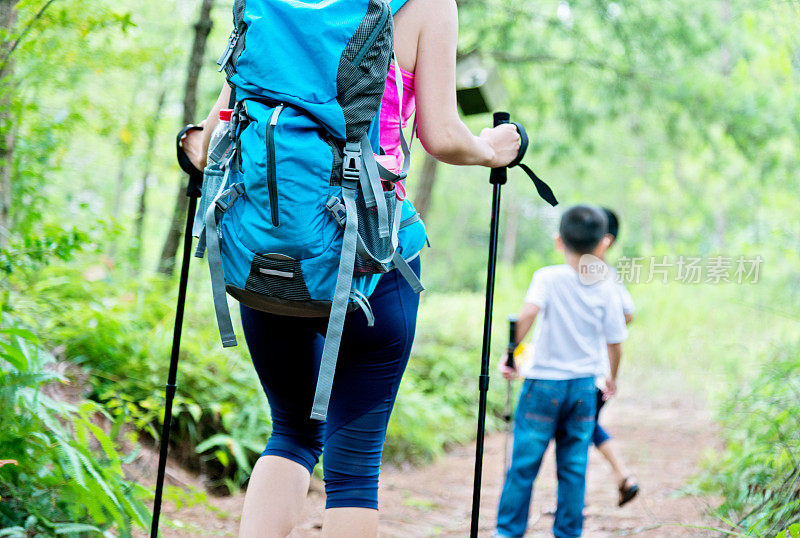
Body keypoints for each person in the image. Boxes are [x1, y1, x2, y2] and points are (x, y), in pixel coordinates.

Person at [180, 1, 521, 536]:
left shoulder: (269, 6)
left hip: (269, 255)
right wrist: (496, 149)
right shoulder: (427, 6)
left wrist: (189, 143)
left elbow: (210, 141)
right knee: (355, 466)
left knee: (290, 431)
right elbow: (444, 137)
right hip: (373, 260)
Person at [496, 205, 628, 538]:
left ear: (559, 241)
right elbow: (616, 341)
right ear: (603, 244)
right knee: (573, 468)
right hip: (583, 388)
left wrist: (509, 355)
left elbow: (525, 316)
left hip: (543, 385)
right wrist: (612, 376)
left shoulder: (548, 277)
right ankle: (568, 533)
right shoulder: (607, 284)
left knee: (524, 465)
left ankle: (508, 532)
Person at [592, 207, 639, 507]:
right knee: (585, 428)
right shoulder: (608, 273)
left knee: (580, 430)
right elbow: (628, 313)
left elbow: (626, 315)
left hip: (586, 369)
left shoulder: (594, 272)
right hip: (595, 369)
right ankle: (624, 478)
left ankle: (624, 477)